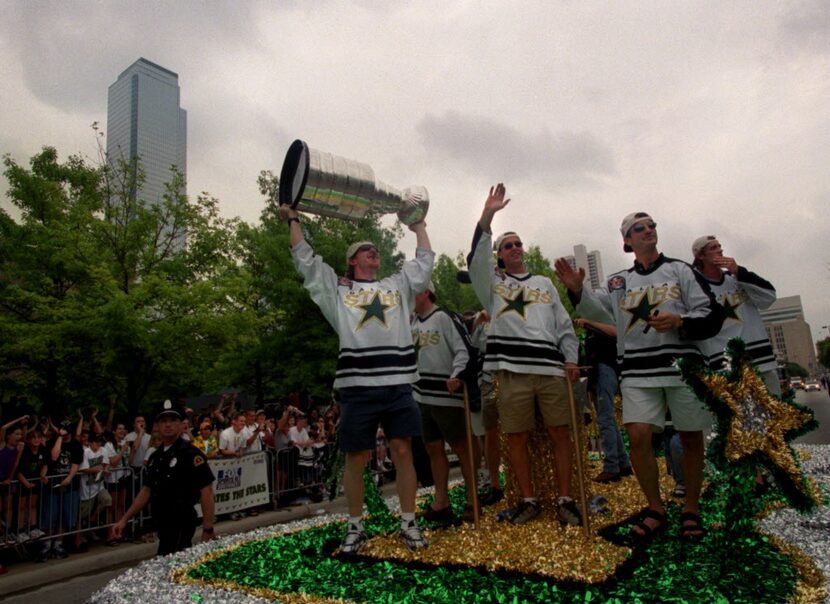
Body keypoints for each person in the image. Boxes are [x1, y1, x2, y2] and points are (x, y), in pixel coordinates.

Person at [555, 212, 725, 542]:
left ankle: (691, 507)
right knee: (638, 435)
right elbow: (597, 310)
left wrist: (680, 321)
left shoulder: (680, 270)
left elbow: (712, 315)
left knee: (690, 438)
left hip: (680, 367)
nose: (648, 231)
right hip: (636, 369)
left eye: (652, 226)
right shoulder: (619, 282)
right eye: (639, 228)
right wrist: (577, 291)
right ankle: (655, 508)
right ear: (627, 241)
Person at [280, 202, 433, 554]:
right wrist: (293, 219)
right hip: (357, 387)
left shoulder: (397, 286)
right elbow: (305, 261)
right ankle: (355, 526)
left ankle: (409, 523)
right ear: (352, 260)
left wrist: (420, 226)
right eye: (365, 250)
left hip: (397, 383)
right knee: (356, 456)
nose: (373, 252)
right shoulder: (338, 290)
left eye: (375, 249)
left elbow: (423, 265)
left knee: (403, 450)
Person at [468, 184, 581, 526]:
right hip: (511, 371)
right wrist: (488, 215)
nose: (515, 248)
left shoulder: (545, 283)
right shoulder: (492, 285)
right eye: (507, 245)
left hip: (551, 370)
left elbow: (563, 325)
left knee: (562, 432)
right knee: (516, 436)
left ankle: (565, 499)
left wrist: (571, 358)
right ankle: (528, 499)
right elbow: (475, 258)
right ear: (499, 255)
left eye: (518, 243)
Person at [111, 400, 216, 556]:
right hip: (162, 523)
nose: (168, 425)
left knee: (173, 565)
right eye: (163, 421)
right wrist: (124, 519)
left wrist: (208, 528)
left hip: (181, 522)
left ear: (181, 425)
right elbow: (147, 490)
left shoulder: (190, 454)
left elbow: (206, 491)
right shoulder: (156, 456)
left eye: (173, 420)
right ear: (157, 426)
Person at [411, 283, 479, 523]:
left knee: (462, 446)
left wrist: (457, 374)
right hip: (420, 395)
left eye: (413, 291)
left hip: (446, 393)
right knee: (433, 448)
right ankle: (441, 500)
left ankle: (473, 498)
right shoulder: (412, 322)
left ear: (427, 292)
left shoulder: (445, 317)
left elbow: (465, 348)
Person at [691, 235, 779, 394]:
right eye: (713, 248)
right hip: (725, 365)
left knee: (775, 414)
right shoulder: (697, 288)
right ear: (701, 256)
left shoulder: (737, 278)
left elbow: (769, 298)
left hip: (760, 360)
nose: (720, 250)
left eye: (719, 246)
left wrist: (739, 271)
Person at [575, 318, 632, 483]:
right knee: (608, 419)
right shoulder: (590, 334)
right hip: (595, 373)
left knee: (605, 419)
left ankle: (611, 467)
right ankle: (623, 462)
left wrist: (588, 322)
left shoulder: (604, 326)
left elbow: (616, 332)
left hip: (605, 370)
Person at [37, 421, 83, 562]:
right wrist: (60, 438)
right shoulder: (53, 442)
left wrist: (69, 478)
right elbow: (53, 457)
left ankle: (58, 543)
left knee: (64, 516)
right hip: (52, 485)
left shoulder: (76, 444)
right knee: (51, 515)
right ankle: (46, 544)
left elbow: (75, 463)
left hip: (69, 485)